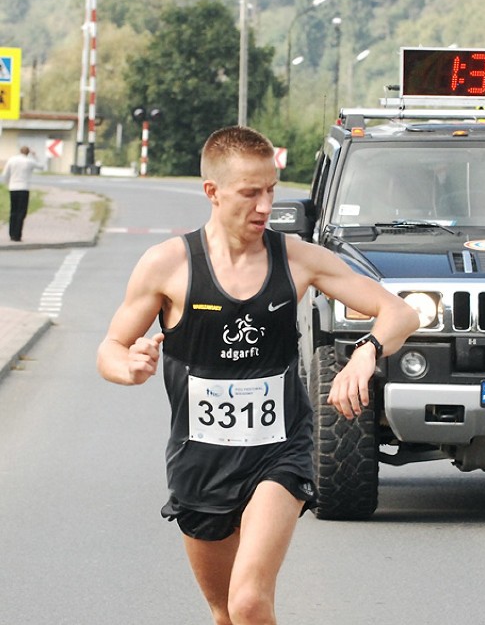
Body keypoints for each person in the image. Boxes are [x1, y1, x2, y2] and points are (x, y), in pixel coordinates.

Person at [96, 125, 420, 624]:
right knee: (224, 610)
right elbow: (110, 349)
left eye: (271, 190)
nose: (265, 206)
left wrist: (366, 353)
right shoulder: (167, 266)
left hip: (279, 450)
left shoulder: (295, 260)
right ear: (213, 192)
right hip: (199, 459)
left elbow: (400, 312)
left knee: (249, 601)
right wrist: (129, 367)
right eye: (251, 193)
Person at [1, 146, 44, 242]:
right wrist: (35, 156)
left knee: (13, 211)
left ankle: (11, 233)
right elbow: (41, 166)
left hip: (13, 188)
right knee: (21, 212)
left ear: (19, 151)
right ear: (28, 153)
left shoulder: (12, 160)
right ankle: (17, 235)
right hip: (24, 188)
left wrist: (8, 183)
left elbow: (5, 174)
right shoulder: (29, 161)